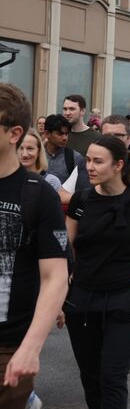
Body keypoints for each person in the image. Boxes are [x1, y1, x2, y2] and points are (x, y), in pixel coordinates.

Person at [64, 135, 130, 408]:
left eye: (98, 161)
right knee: (91, 378)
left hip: (125, 302)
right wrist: (65, 291)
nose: (90, 167)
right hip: (82, 302)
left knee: (112, 378)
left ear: (118, 165)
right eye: (88, 160)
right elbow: (66, 251)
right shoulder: (80, 200)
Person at [0, 83, 68, 409]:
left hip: (8, 347)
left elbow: (55, 276)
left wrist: (31, 346)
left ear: (14, 133)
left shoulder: (38, 193)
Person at [43, 114, 83, 183]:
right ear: (47, 134)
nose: (65, 138)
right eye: (60, 134)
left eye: (66, 134)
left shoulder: (75, 158)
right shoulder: (37, 156)